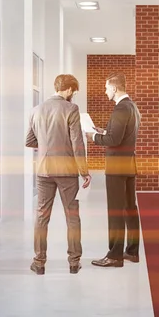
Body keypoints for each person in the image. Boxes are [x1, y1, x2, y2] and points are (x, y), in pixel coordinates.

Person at [25, 74, 91, 275]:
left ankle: (39, 262)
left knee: (41, 217)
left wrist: (47, 146)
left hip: (43, 171)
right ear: (69, 90)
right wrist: (84, 172)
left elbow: (29, 141)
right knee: (72, 216)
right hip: (67, 172)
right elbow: (77, 144)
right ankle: (73, 262)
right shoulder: (71, 109)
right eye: (74, 92)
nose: (74, 96)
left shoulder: (36, 110)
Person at [87, 72, 141, 267]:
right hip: (128, 165)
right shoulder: (132, 107)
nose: (105, 91)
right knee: (129, 209)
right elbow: (119, 135)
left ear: (115, 88)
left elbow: (114, 140)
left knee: (116, 211)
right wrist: (102, 131)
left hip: (117, 167)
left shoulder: (120, 109)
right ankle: (132, 252)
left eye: (107, 88)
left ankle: (115, 256)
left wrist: (92, 137)